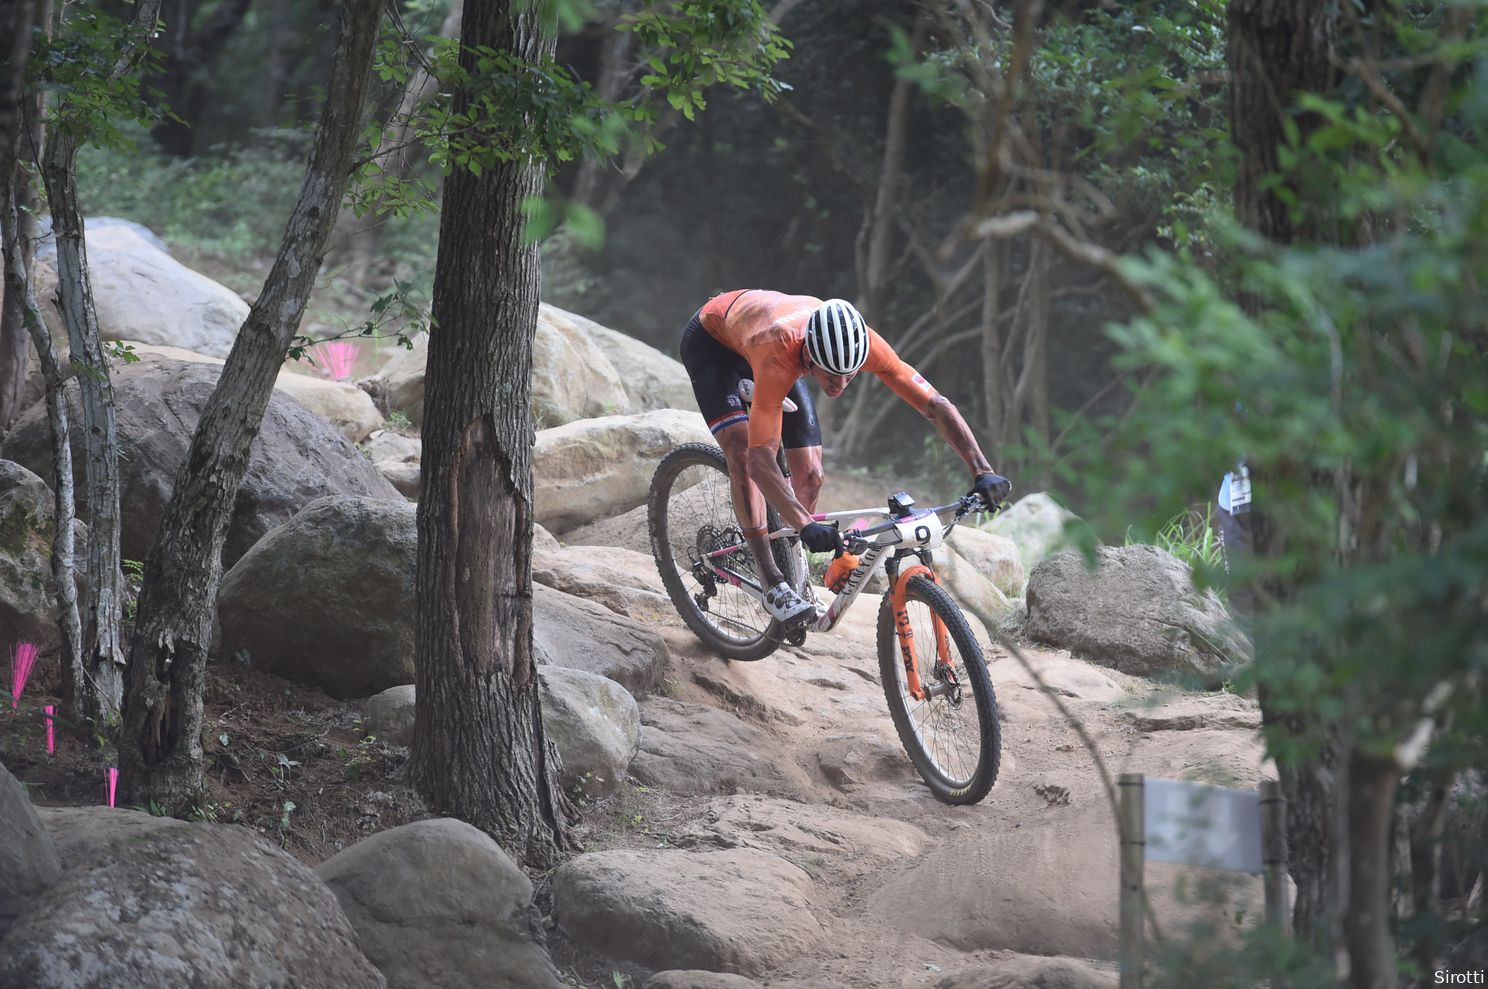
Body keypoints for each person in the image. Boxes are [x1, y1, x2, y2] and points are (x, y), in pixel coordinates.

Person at [678, 289, 1012, 624]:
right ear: (809, 355)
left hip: (779, 345)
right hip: (716, 346)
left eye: (849, 374)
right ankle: (772, 582)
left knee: (810, 474)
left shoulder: (861, 343)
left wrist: (982, 470)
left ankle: (792, 563)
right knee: (742, 453)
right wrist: (806, 524)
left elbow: (935, 406)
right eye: (831, 374)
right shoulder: (781, 350)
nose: (840, 384)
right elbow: (760, 460)